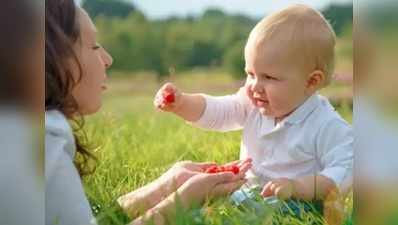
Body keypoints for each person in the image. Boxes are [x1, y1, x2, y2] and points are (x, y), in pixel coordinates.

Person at [45, 1, 251, 225]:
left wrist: (163, 187)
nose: (108, 59)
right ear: (51, 56)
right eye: (93, 46)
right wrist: (180, 202)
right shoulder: (42, 140)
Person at [154, 4, 353, 207]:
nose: (255, 85)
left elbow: (345, 170)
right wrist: (182, 103)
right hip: (248, 195)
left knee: (239, 212)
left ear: (311, 81)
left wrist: (297, 187)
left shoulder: (325, 125)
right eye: (250, 74)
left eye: (269, 77)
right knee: (212, 202)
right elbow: (218, 111)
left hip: (296, 205)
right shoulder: (253, 104)